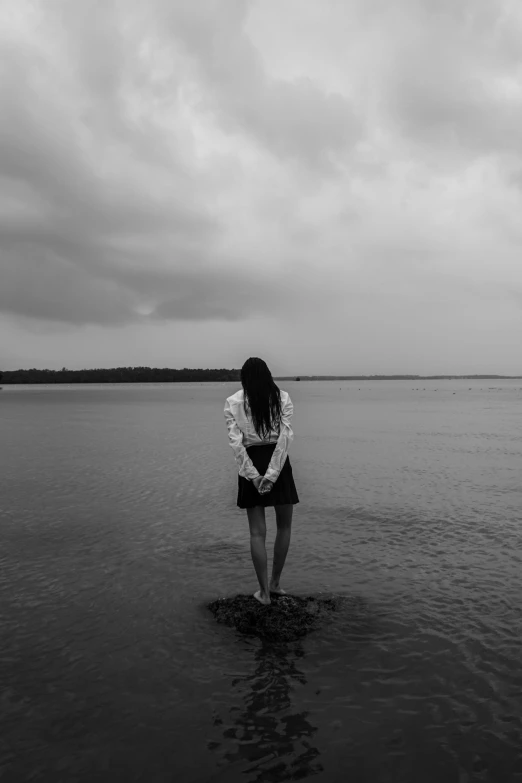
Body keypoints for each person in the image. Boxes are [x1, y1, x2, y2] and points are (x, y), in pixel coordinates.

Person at [224, 357, 299, 605]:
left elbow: (237, 445)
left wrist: (255, 476)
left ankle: (264, 593)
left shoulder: (232, 402)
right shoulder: (282, 398)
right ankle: (276, 584)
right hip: (278, 461)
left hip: (251, 462)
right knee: (284, 527)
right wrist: (272, 474)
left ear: (244, 378)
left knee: (257, 533)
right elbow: (284, 439)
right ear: (268, 375)